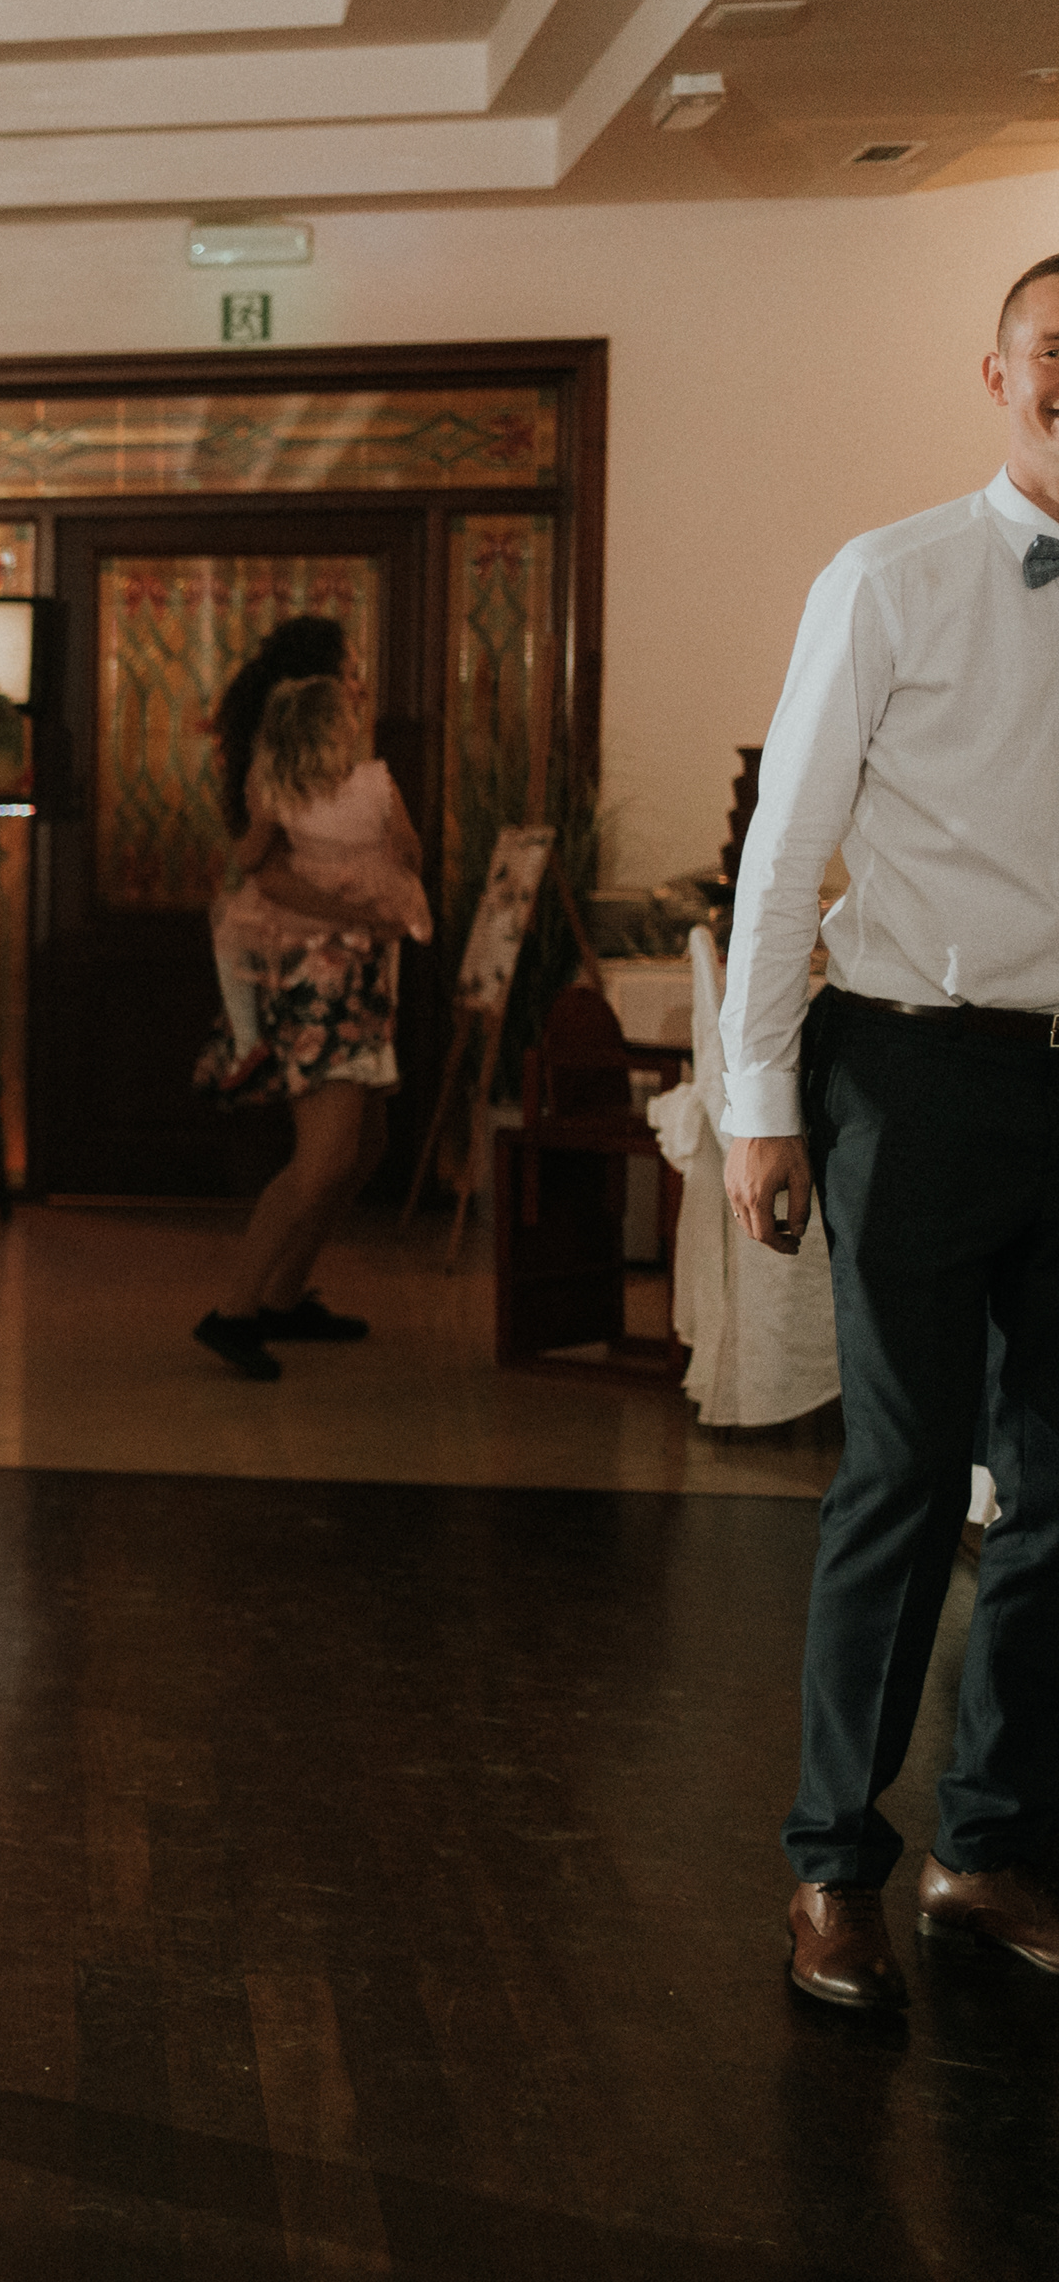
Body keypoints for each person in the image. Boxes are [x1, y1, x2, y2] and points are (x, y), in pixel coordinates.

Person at [735, 254, 1059, 2016]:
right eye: (1054, 350)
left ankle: (987, 1849)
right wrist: (758, 1105)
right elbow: (788, 851)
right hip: (915, 1079)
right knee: (909, 1472)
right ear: (997, 374)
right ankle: (831, 1865)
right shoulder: (890, 576)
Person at [191, 640, 432, 1381]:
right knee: (323, 1155)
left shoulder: (301, 788)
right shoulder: (323, 787)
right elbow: (273, 877)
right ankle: (234, 1310)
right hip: (322, 989)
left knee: (365, 1145)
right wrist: (362, 906)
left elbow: (259, 864)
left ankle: (284, 1294)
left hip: (354, 983)